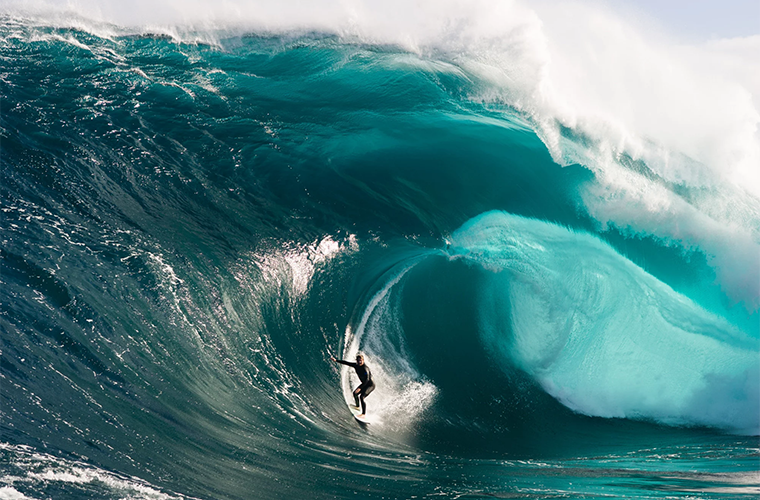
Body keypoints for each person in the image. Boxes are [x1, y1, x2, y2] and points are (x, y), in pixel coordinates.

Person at [331, 353, 375, 418]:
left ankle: (363, 414)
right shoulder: (356, 365)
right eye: (358, 360)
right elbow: (346, 363)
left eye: (361, 360)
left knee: (362, 397)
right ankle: (357, 406)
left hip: (370, 385)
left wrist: (360, 388)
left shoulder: (365, 369)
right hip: (364, 384)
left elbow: (367, 380)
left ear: (363, 360)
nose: (360, 362)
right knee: (355, 393)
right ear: (356, 361)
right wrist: (336, 360)